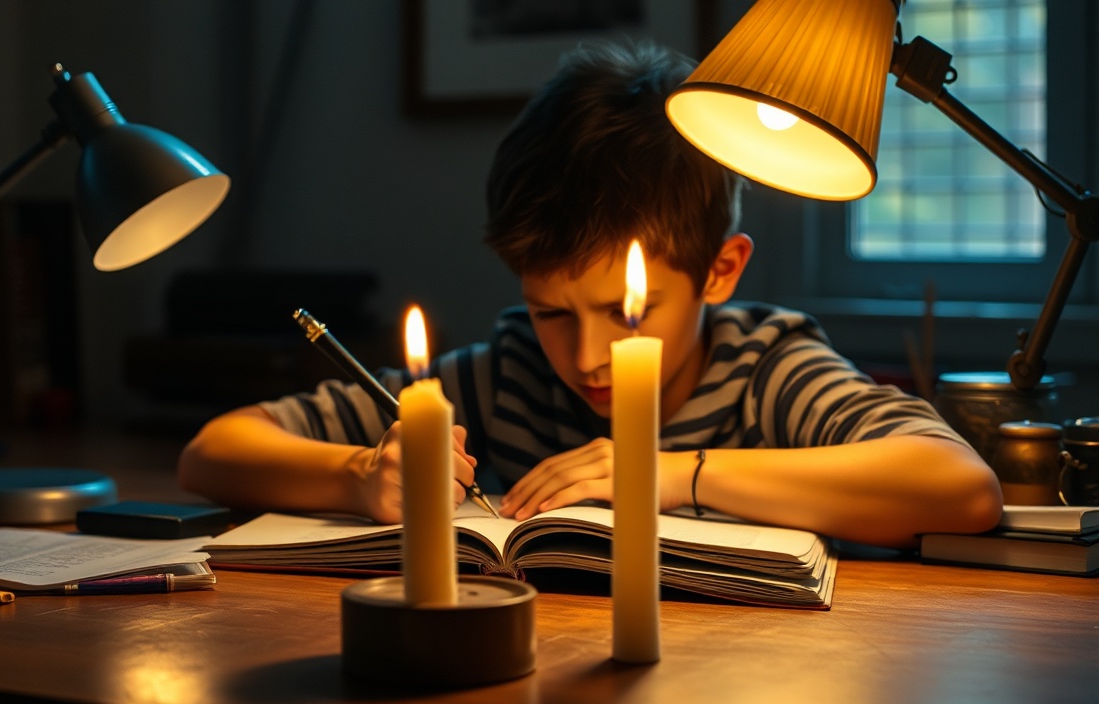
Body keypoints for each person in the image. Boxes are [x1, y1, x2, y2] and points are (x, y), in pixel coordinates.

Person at [178, 39, 1001, 549]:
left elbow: (958, 487)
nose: (584, 357)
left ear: (721, 270)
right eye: (550, 312)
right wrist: (364, 475)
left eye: (626, 313)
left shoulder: (764, 365)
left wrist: (673, 473)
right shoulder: (507, 374)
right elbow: (213, 450)